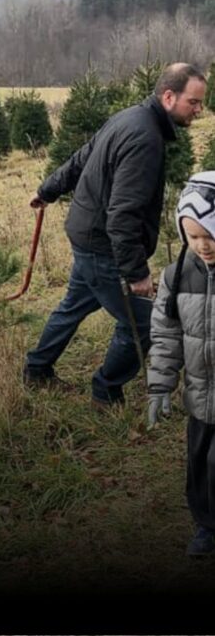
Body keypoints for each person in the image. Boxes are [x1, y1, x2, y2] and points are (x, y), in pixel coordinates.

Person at [23, 62, 206, 407]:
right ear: (169, 96)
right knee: (144, 323)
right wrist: (136, 273)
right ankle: (106, 391)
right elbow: (122, 214)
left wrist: (47, 190)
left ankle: (36, 369)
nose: (199, 110)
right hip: (102, 245)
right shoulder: (146, 138)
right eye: (193, 102)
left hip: (86, 234)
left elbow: (81, 157)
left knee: (73, 306)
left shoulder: (129, 116)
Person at [148, 172, 215, 555]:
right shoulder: (176, 277)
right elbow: (166, 334)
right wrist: (160, 384)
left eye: (209, 235)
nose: (202, 246)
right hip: (201, 395)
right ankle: (206, 526)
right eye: (193, 238)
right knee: (200, 463)